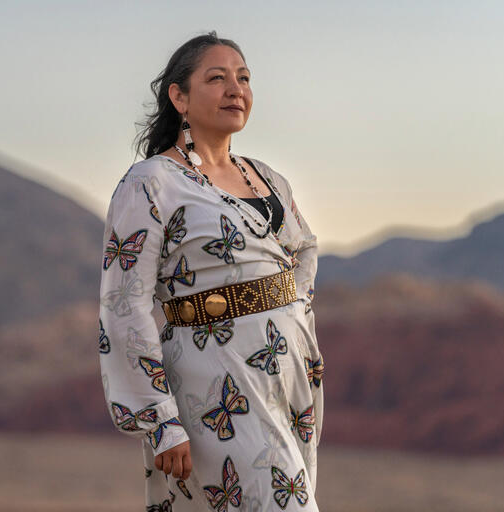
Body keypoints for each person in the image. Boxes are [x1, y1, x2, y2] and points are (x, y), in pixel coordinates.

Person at [98, 31, 323, 511]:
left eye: (243, 78)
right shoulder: (151, 182)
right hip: (214, 380)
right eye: (216, 78)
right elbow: (124, 304)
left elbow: (304, 250)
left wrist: (290, 318)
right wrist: (160, 419)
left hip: (287, 375)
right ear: (178, 96)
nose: (235, 89)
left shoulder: (268, 178)